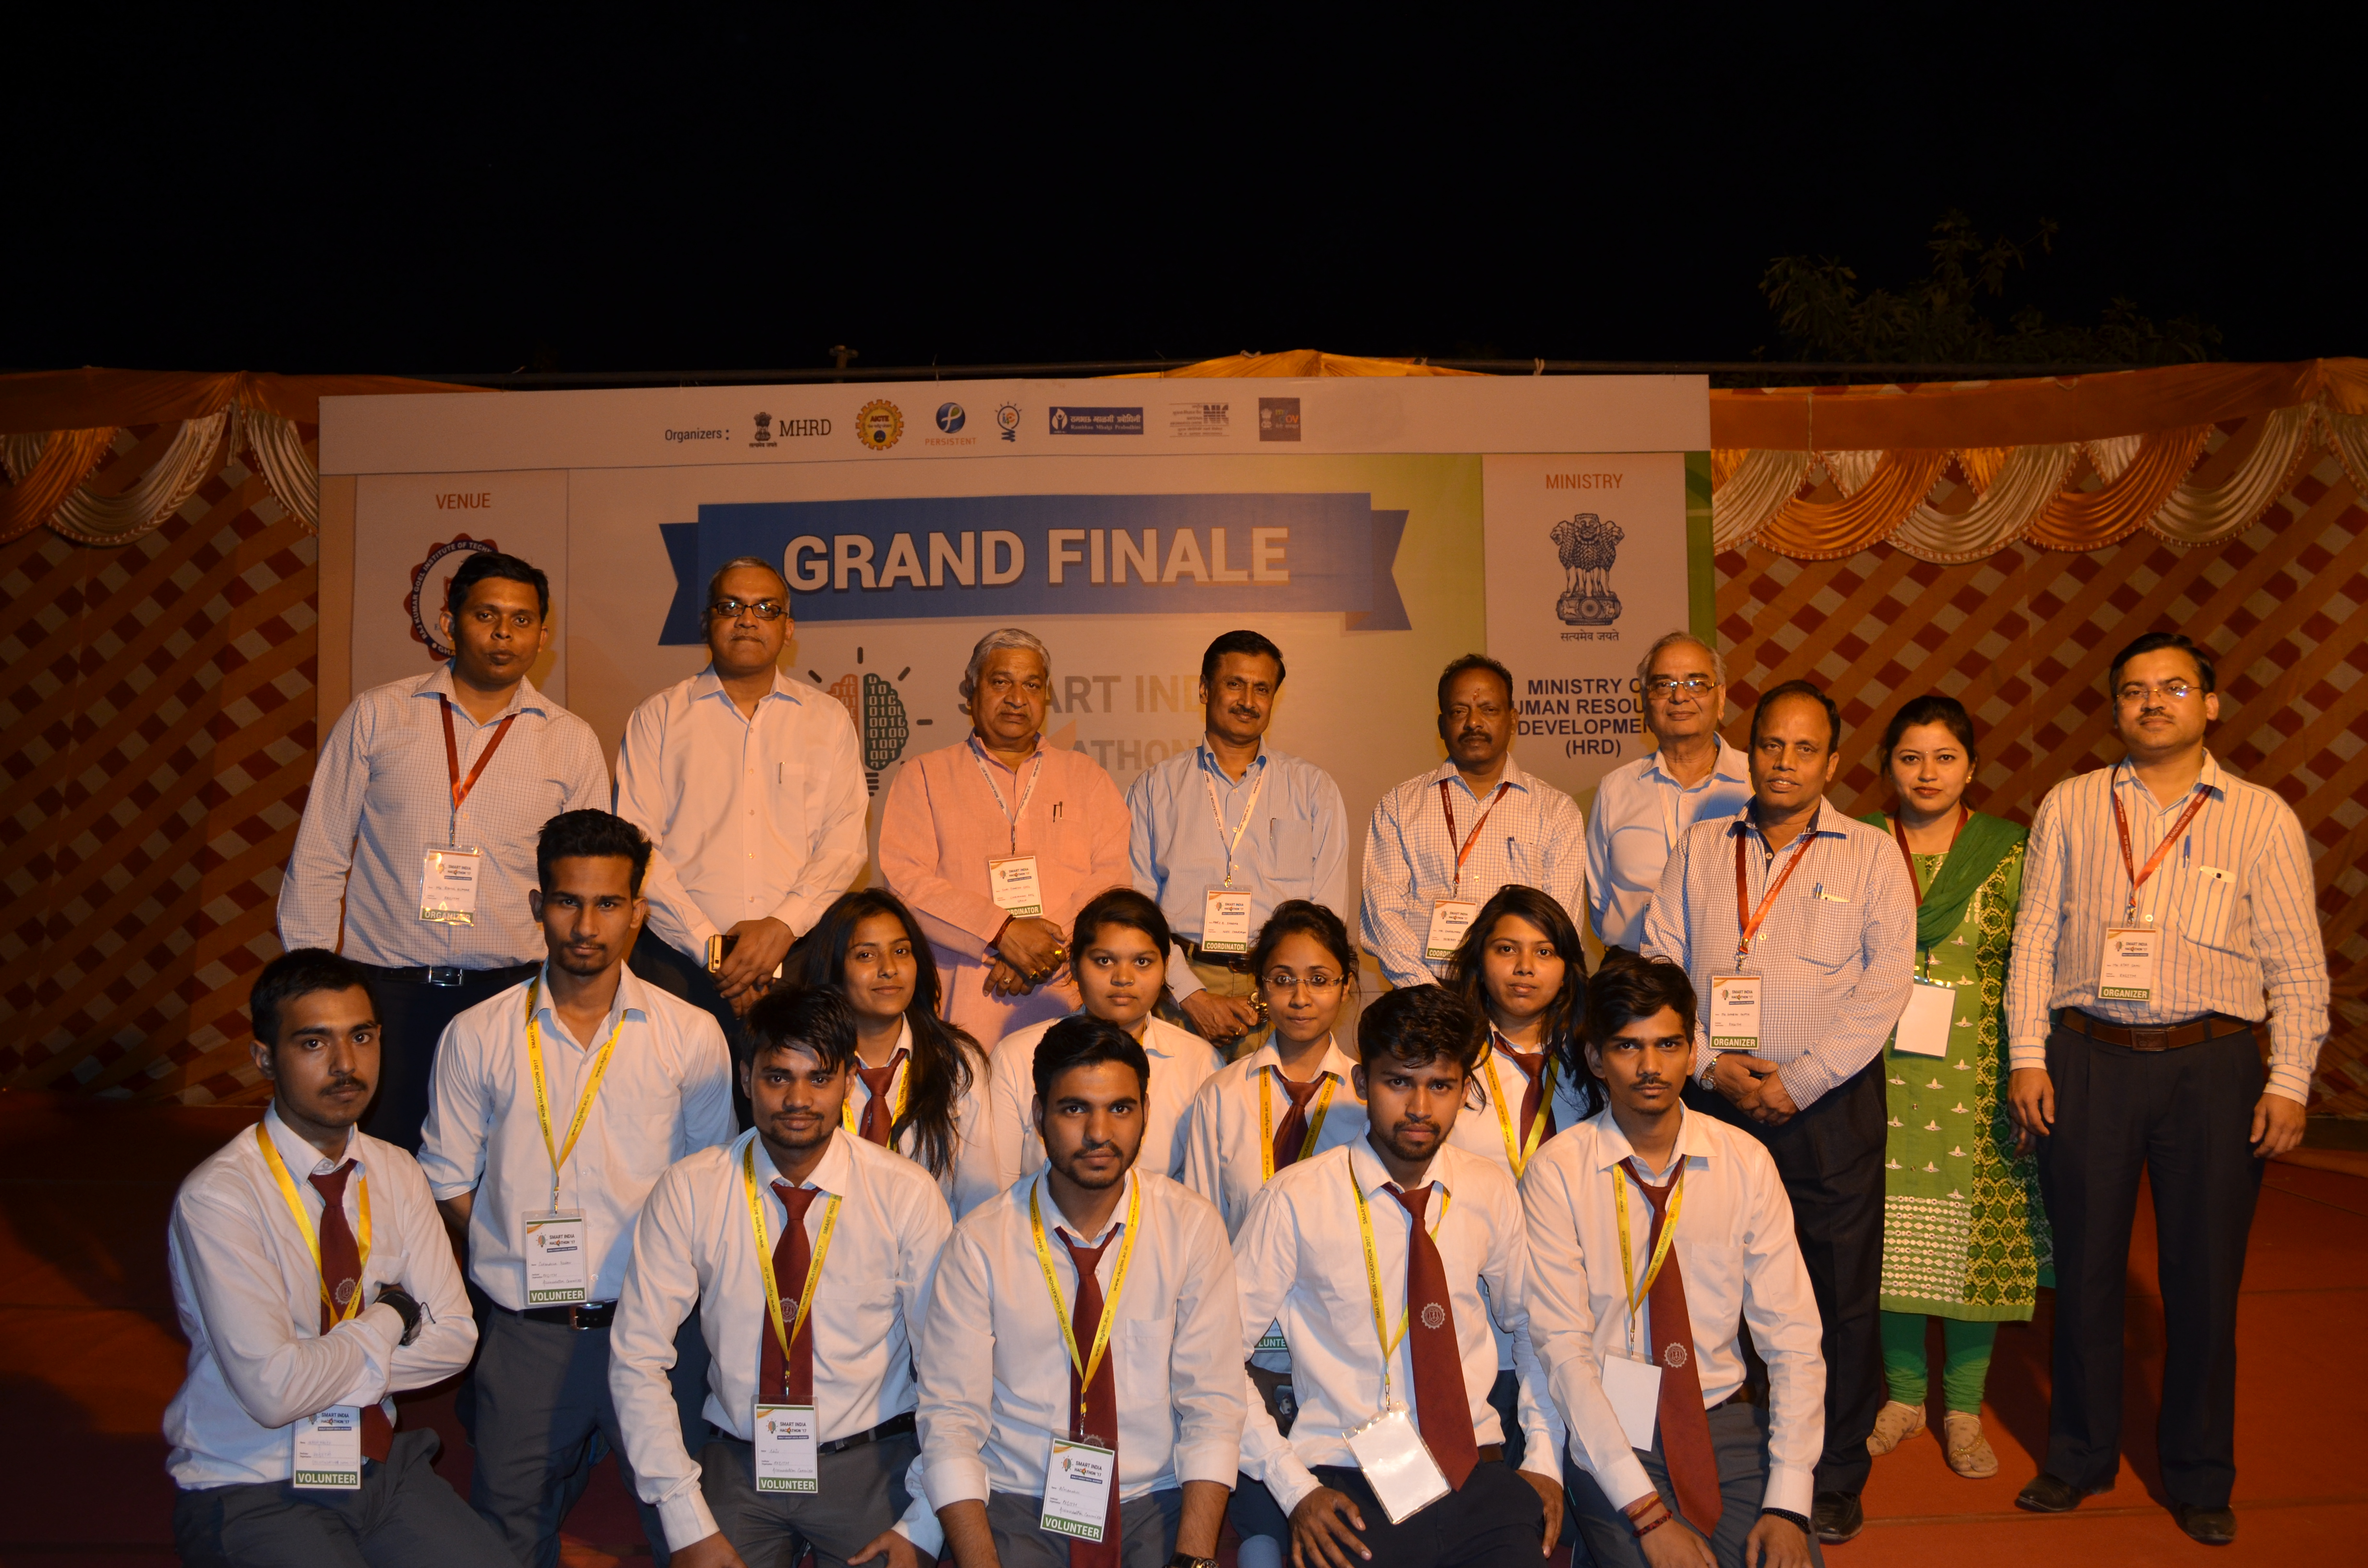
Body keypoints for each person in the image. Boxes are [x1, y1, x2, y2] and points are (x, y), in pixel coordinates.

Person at [2005, 632, 2329, 1547]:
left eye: (2173, 687)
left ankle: (2197, 1472)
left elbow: (2295, 961)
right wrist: (2026, 1053)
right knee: (2084, 1270)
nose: (2152, 702)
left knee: (2203, 1278)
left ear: (2209, 704)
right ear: (2114, 707)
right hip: (2086, 1057)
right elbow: (2034, 938)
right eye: (2134, 690)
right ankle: (2077, 1456)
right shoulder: (2070, 802)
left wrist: (2289, 1078)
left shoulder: (2260, 815)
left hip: (2212, 1065)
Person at [418, 808, 738, 1567]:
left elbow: (714, 1186)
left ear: (638, 913)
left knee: (694, 1539)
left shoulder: (691, 1034)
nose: (587, 926)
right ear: (538, 905)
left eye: (607, 904)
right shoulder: (477, 1034)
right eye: (568, 901)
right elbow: (448, 1180)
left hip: (656, 1332)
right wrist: (509, 1250)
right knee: (505, 1540)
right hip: (527, 1332)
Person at [1639, 680, 1914, 1546]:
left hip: (1827, 1106)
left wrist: (1799, 1081)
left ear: (1832, 762)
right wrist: (1708, 1063)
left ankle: (1832, 1473)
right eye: (1769, 744)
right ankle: (1738, 1452)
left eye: (1804, 748)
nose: (1783, 762)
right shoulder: (1699, 846)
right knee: (1714, 1282)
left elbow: (1885, 987)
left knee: (1835, 1295)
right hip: (1714, 1101)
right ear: (1748, 749)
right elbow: (1659, 958)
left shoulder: (1871, 855)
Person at [165, 949, 512, 1568]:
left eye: (361, 1037)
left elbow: (455, 1341)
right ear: (263, 1058)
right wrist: (391, 1316)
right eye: (313, 1043)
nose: (346, 1064)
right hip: (252, 1479)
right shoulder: (220, 1197)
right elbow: (273, 1397)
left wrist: (311, 1368)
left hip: (376, 1465)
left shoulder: (397, 1171)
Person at [609, 985, 953, 1568]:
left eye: (819, 1078)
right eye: (777, 1077)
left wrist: (924, 1521)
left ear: (848, 1081)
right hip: (739, 1462)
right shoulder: (691, 1189)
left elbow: (950, 1368)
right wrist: (684, 1519)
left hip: (871, 1463)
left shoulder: (905, 1194)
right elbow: (636, 1357)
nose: (798, 1099)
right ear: (746, 1079)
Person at [278, 549, 609, 1150]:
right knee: (383, 1160)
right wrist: (310, 984)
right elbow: (321, 853)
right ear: (449, 622)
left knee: (506, 1162)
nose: (504, 633)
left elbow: (588, 883)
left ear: (542, 635)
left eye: (522, 619)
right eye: (486, 615)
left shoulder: (570, 741)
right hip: (386, 993)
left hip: (511, 995)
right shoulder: (379, 715)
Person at [1230, 983, 1566, 1568]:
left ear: (1464, 1089)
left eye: (1440, 1085)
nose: (1418, 1108)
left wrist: (1541, 1458)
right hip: (1345, 1479)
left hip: (1478, 1474)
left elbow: (1535, 1331)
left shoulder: (1486, 1188)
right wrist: (1294, 1489)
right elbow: (1213, 1359)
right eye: (1398, 1082)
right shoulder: (1295, 1198)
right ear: (1362, 1083)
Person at [1523, 953, 1823, 1568]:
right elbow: (1564, 1351)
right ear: (1595, 1059)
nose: (1650, 1067)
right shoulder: (1557, 1172)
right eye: (1627, 1047)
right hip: (1611, 1427)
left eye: (1668, 1045)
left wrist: (1789, 1503)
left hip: (1723, 1418)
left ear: (1692, 1055)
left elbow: (1792, 1338)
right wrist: (1647, 1516)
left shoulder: (1745, 1162)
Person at [914, 1015, 1246, 1568]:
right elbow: (949, 1421)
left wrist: (1193, 1559)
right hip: (1020, 1499)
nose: (1098, 1133)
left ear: (1145, 1111)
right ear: (1038, 1115)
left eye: (1120, 1109)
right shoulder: (980, 1242)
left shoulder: (1189, 1227)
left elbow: (1212, 1403)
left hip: (1154, 1498)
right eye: (1074, 1110)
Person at [1855, 696, 2050, 1481]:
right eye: (1910, 757)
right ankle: (1903, 1398)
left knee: (1977, 1247)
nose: (1927, 773)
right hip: (1874, 1072)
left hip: (1982, 1076)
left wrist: (2032, 1064)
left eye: (1944, 757)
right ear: (1888, 767)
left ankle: (1963, 1409)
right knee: (1890, 1240)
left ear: (1971, 768)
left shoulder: (2010, 850)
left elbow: (2035, 961)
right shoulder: (1858, 845)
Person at [1179, 900, 1369, 1568]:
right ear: (1260, 985)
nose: (1300, 997)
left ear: (1346, 985)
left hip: (1336, 1338)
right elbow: (1202, 1223)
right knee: (1258, 1534)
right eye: (1282, 979)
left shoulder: (1368, 1098)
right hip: (1243, 1339)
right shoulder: (1223, 1094)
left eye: (1319, 979)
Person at [614, 553, 867, 1044]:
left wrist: (781, 927)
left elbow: (844, 846)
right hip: (677, 963)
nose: (748, 619)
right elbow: (637, 849)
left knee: (796, 1092)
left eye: (766, 608)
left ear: (788, 628)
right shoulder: (658, 718)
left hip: (798, 959)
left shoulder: (827, 719)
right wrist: (713, 949)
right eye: (730, 606)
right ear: (706, 622)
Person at [879, 628, 1132, 1051]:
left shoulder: (1087, 778)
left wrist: (1041, 950)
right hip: (964, 1008)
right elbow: (906, 883)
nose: (1017, 698)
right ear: (971, 691)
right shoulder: (924, 775)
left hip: (1066, 999)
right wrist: (1001, 933)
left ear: (1046, 696)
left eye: (1032, 685)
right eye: (1001, 682)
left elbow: (1112, 880)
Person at [1442, 883, 1603, 1475]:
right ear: (1479, 960)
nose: (1524, 968)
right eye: (1506, 949)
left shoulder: (1594, 1064)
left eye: (1543, 952)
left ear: (1567, 967)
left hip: (1580, 1302)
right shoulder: (1447, 1063)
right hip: (1482, 1313)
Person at [1127, 630, 1350, 1053]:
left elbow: (1327, 914)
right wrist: (1191, 995)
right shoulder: (1156, 789)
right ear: (1204, 689)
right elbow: (1138, 909)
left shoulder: (1313, 790)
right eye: (1235, 684)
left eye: (1261, 689)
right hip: (1180, 991)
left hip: (1282, 991)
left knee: (1272, 1100)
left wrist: (1278, 991)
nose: (1248, 700)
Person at [1362, 654, 1588, 988]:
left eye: (1489, 710)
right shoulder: (1399, 806)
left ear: (1513, 720)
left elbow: (1560, 924)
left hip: (1519, 992)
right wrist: (1427, 991)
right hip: (1425, 991)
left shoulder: (1556, 811)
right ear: (1442, 726)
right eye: (1459, 712)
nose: (1473, 723)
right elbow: (1383, 912)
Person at [787, 887, 1002, 1217]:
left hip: (931, 1246)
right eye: (866, 955)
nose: (889, 968)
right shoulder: (804, 1061)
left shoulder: (956, 1060)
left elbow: (980, 1200)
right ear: (834, 968)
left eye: (901, 951)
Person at [989, 888, 1224, 1188]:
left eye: (1142, 962)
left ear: (1165, 968)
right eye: (1104, 961)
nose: (1123, 978)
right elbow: (998, 1191)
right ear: (1075, 967)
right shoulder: (1016, 1057)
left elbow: (1201, 1190)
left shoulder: (1200, 1063)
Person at [1585, 633, 1752, 955]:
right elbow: (1599, 903)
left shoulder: (1755, 783)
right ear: (1645, 702)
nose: (1679, 697)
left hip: (1728, 968)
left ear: (1721, 698)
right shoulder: (1615, 789)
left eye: (1696, 684)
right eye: (1664, 685)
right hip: (1633, 970)